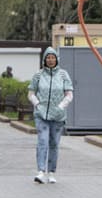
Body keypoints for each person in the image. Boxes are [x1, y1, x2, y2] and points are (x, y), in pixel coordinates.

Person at [26, 48, 73, 184]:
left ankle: (51, 172)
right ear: (44, 60)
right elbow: (31, 93)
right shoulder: (38, 75)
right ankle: (41, 171)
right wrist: (37, 104)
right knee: (42, 141)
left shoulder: (64, 75)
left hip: (58, 116)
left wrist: (61, 107)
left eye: (53, 57)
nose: (50, 60)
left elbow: (69, 94)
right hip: (41, 115)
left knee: (54, 144)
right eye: (48, 58)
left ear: (56, 59)